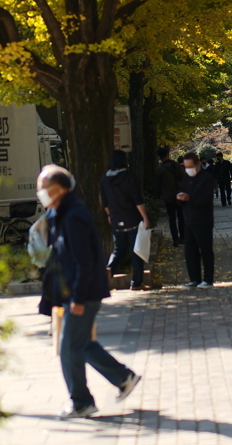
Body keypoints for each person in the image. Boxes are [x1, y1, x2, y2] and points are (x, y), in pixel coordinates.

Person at [36, 165, 142, 418]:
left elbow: (83, 260)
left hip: (83, 293)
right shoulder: (60, 212)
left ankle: (82, 401)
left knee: (69, 346)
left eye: (43, 188)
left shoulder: (73, 215)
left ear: (58, 189)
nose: (40, 192)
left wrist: (78, 297)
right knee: (81, 344)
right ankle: (123, 377)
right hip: (77, 291)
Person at [99, 149, 150, 292]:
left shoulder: (104, 179)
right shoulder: (130, 177)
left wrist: (110, 215)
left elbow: (104, 202)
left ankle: (109, 268)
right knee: (137, 251)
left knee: (118, 249)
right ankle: (136, 282)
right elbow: (137, 200)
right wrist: (145, 217)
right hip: (132, 218)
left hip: (116, 219)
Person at [176, 150, 216, 287]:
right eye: (186, 167)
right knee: (190, 251)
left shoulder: (207, 178)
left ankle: (208, 279)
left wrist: (190, 198)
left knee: (205, 250)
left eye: (190, 166)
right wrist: (180, 199)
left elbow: (206, 199)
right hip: (188, 219)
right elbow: (182, 192)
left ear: (198, 164)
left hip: (203, 219)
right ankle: (194, 278)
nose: (188, 170)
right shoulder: (186, 178)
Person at [156, 145, 185, 247]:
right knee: (181, 216)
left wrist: (159, 196)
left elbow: (158, 185)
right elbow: (183, 177)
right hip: (179, 194)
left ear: (159, 157)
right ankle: (182, 238)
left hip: (168, 197)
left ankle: (175, 240)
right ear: (168, 155)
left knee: (172, 218)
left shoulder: (159, 169)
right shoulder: (176, 165)